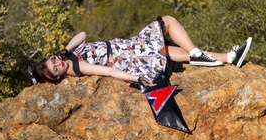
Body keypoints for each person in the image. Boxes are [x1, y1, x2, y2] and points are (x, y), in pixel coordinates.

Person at [28, 15, 250, 90]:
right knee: (168, 22)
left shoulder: (69, 56)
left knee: (168, 51)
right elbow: (110, 72)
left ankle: (230, 58)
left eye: (53, 60)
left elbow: (83, 34)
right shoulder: (77, 66)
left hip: (129, 46)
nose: (58, 62)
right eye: (56, 68)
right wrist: (137, 78)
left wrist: (66, 50)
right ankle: (197, 54)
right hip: (130, 54)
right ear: (57, 77)